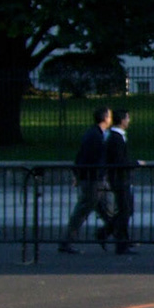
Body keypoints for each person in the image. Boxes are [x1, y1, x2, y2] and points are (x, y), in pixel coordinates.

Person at [57, 105, 111, 254]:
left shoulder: (94, 134)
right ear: (105, 118)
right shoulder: (95, 136)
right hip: (93, 179)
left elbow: (81, 156)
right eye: (109, 116)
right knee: (84, 210)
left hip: (93, 178)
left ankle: (116, 237)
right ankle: (67, 241)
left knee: (106, 210)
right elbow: (89, 158)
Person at [102, 108, 140, 255]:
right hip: (119, 178)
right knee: (125, 210)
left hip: (120, 177)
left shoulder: (116, 137)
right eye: (127, 118)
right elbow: (119, 160)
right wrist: (135, 163)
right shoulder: (116, 138)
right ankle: (120, 242)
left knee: (126, 209)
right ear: (122, 120)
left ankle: (108, 233)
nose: (129, 121)